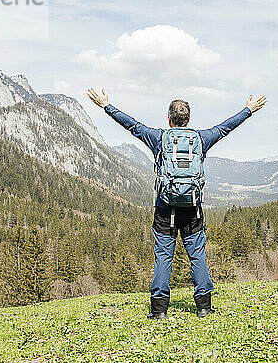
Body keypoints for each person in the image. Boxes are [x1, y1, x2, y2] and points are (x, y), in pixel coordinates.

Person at [88, 88, 267, 319]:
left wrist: (106, 105)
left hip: (165, 210)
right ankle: (203, 307)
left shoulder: (158, 138)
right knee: (197, 256)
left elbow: (131, 125)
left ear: (169, 119)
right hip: (193, 210)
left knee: (163, 257)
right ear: (188, 119)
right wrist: (248, 110)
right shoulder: (201, 138)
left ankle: (159, 310)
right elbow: (225, 128)